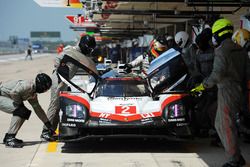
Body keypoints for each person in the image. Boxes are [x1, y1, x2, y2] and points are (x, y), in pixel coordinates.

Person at [191, 18, 246, 167]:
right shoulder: (240, 49)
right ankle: (236, 155)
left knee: (225, 125)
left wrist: (203, 86)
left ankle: (234, 159)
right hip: (238, 90)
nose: (213, 38)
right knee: (223, 123)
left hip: (226, 91)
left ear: (219, 34)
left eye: (214, 34)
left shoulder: (222, 51)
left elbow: (217, 74)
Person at [40, 35, 97, 141]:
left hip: (65, 81)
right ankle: (45, 131)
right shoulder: (71, 50)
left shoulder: (79, 54)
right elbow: (57, 60)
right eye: (89, 49)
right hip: (59, 80)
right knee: (54, 105)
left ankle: (51, 130)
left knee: (59, 106)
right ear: (84, 46)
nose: (90, 51)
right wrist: (63, 72)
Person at [0, 73, 55, 148]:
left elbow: (38, 109)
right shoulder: (28, 86)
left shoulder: (33, 93)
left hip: (5, 97)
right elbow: (14, 93)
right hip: (1, 95)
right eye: (45, 88)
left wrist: (47, 124)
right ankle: (10, 139)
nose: (45, 90)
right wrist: (20, 104)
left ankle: (9, 137)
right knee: (20, 111)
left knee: (25, 112)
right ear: (40, 85)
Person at [232, 28, 250, 141]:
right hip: (245, 87)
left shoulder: (247, 54)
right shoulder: (245, 53)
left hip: (246, 88)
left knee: (244, 110)